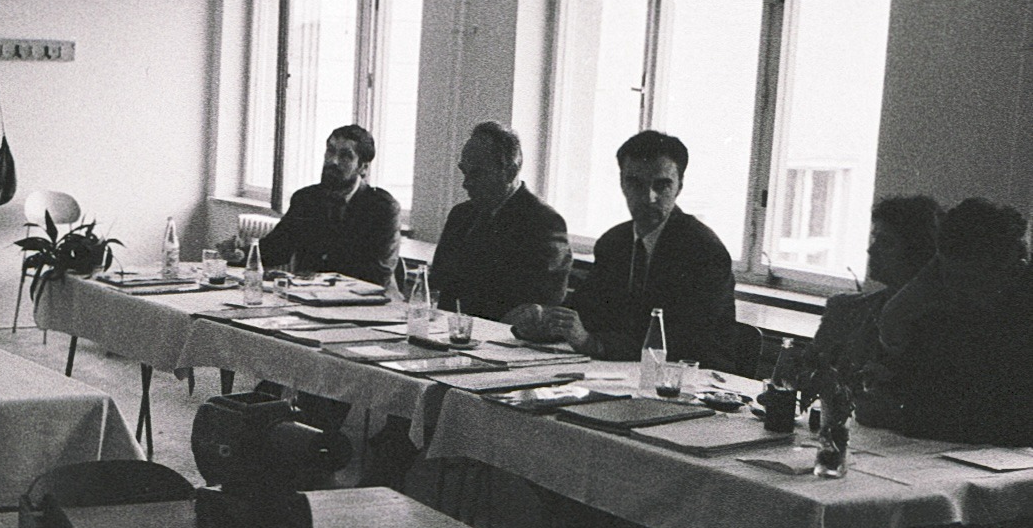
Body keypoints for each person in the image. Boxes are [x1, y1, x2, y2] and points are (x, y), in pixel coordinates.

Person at [519, 130, 737, 370]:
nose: (648, 197)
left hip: (690, 380)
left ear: (679, 187)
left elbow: (680, 342)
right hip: (622, 372)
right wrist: (545, 324)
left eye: (662, 185)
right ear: (622, 183)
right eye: (635, 183)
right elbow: (589, 310)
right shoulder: (614, 242)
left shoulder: (703, 251)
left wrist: (594, 343)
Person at [859, 198, 1033, 443]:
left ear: (1012, 266)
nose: (955, 290)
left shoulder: (1021, 316)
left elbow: (1016, 422)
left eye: (969, 280)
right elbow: (937, 385)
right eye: (947, 275)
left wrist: (902, 417)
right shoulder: (946, 293)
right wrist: (893, 384)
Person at [428, 121, 570, 320]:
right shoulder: (461, 215)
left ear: (509, 172)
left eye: (477, 173)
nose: (466, 183)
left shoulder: (543, 222)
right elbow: (438, 284)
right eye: (464, 172)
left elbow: (539, 302)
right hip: (450, 331)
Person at [807, 195, 939, 384]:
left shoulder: (937, 324)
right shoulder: (845, 309)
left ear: (917, 253)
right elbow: (810, 373)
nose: (871, 250)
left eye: (886, 243)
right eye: (875, 239)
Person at [257, 125, 400, 286]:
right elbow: (277, 249)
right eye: (330, 151)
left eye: (345, 156)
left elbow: (377, 274)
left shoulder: (381, 208)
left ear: (363, 167)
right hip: (309, 299)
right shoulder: (306, 199)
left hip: (366, 303)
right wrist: (240, 253)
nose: (333, 161)